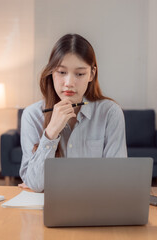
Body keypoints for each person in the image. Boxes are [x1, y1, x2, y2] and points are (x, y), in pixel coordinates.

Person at [19, 34, 127, 192]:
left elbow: (117, 179)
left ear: (91, 74)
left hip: (95, 207)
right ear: (51, 73)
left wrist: (53, 182)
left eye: (80, 74)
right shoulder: (32, 115)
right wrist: (51, 132)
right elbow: (36, 184)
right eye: (61, 72)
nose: (69, 83)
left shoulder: (110, 113)